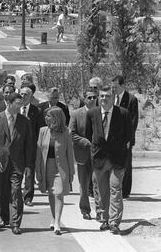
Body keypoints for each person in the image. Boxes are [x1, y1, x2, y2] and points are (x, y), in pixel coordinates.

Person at [85, 85, 132, 234]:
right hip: (99, 159)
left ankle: (114, 222)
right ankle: (104, 219)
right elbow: (88, 135)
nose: (104, 99)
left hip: (117, 160)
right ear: (99, 97)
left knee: (115, 189)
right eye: (102, 96)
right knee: (102, 190)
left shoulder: (123, 113)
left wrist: (123, 155)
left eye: (108, 96)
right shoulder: (92, 113)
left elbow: (129, 137)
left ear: (113, 98)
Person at [0, 93, 34, 235]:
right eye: (18, 103)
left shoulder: (25, 121)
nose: (20, 106)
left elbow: (29, 146)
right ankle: (4, 218)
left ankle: (15, 223)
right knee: (3, 192)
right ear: (8, 103)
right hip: (1, 163)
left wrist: (28, 166)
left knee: (16, 192)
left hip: (18, 164)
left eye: (21, 104)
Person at [36, 107, 75, 235]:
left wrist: (71, 173)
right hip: (46, 167)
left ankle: (57, 222)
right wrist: (38, 171)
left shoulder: (66, 133)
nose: (45, 118)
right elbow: (39, 153)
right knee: (51, 194)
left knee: (58, 193)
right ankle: (53, 217)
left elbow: (70, 154)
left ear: (56, 118)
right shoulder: (42, 131)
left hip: (61, 168)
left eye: (48, 116)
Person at [69, 88, 97, 220]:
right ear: (84, 99)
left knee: (99, 184)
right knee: (84, 185)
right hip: (83, 154)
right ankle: (85, 210)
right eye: (89, 97)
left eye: (94, 97)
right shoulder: (76, 114)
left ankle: (101, 211)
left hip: (99, 154)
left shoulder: (101, 113)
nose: (92, 100)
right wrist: (85, 141)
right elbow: (72, 133)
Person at [111, 75, 138, 199]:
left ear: (122, 86)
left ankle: (125, 191)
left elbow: (133, 122)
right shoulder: (112, 98)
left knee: (126, 165)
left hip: (125, 139)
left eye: (115, 87)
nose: (113, 89)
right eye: (112, 87)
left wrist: (127, 139)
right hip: (113, 139)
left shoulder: (131, 99)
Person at [19, 87, 41, 207]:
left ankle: (28, 197)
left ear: (31, 96)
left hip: (30, 146)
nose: (23, 96)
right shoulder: (15, 109)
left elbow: (39, 130)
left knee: (29, 173)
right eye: (21, 94)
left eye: (25, 94)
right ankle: (16, 196)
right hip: (17, 146)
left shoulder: (36, 111)